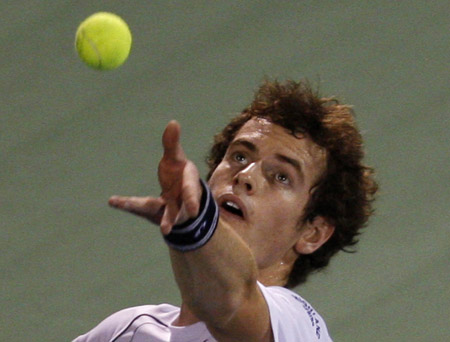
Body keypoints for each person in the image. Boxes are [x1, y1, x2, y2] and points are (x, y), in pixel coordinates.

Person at [73, 79, 377, 342]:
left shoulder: (297, 325)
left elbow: (231, 303)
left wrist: (193, 228)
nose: (246, 176)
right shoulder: (126, 331)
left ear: (313, 232)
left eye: (281, 177)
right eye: (240, 156)